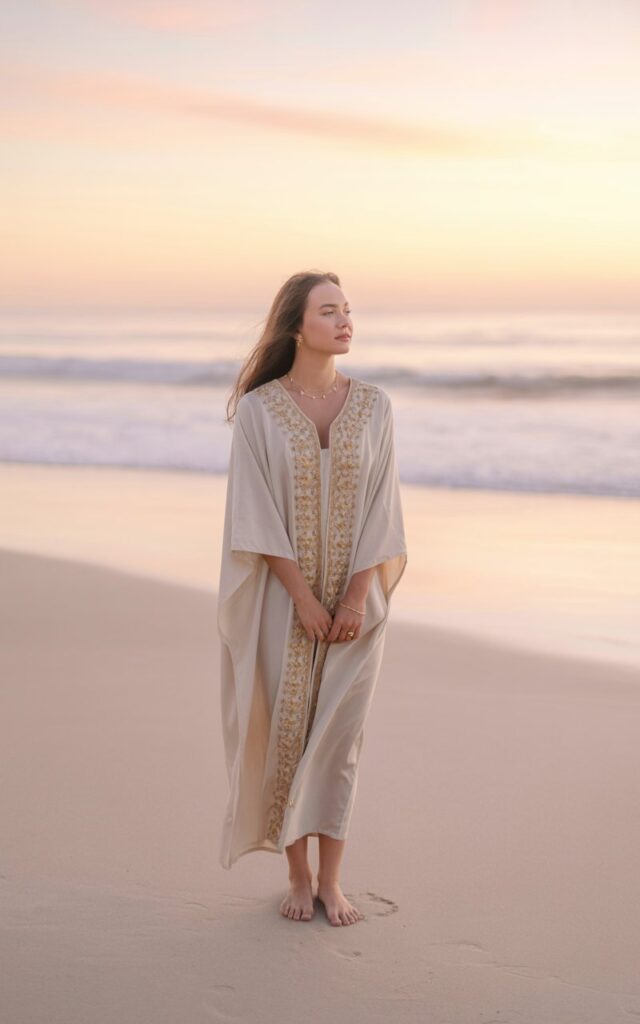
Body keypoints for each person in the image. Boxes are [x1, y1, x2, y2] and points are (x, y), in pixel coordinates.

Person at [217, 270, 407, 926]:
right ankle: (297, 875)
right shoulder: (260, 411)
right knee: (289, 734)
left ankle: (333, 882)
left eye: (349, 310)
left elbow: (385, 510)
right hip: (284, 601)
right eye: (330, 311)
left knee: (341, 741)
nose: (346, 321)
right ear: (298, 327)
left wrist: (355, 598)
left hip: (360, 607)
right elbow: (254, 514)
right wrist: (301, 597)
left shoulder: (376, 406)